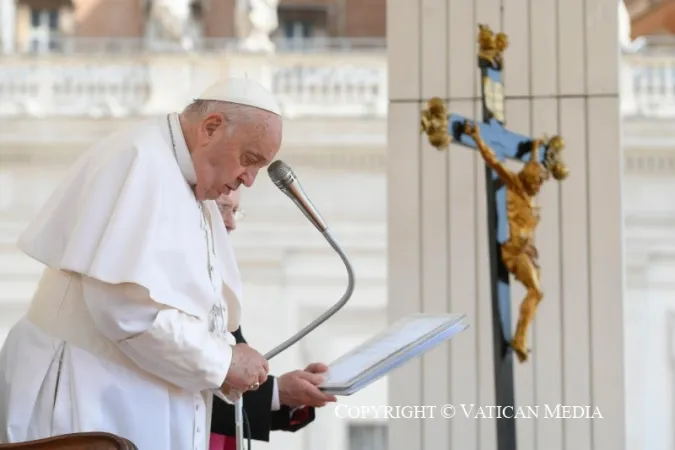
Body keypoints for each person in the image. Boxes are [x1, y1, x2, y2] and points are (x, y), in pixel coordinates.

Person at [0, 78, 285, 450]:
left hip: (131, 397)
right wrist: (223, 361)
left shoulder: (190, 182)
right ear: (211, 127)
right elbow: (127, 312)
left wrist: (227, 361)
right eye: (249, 160)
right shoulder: (137, 159)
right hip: (85, 395)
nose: (248, 179)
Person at [209, 191, 336, 450]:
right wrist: (277, 392)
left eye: (235, 211)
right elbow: (186, 384)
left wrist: (292, 395)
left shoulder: (219, 283)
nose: (231, 223)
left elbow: (230, 380)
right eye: (222, 208)